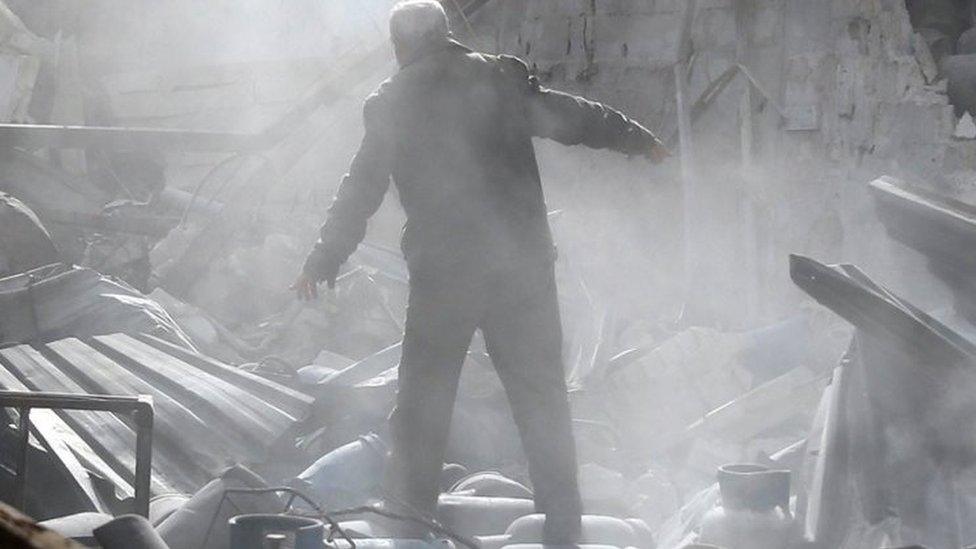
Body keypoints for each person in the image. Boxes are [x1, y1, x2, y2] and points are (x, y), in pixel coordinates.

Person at [293, 0, 669, 542]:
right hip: (522, 270)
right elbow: (572, 117)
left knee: (423, 407)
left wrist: (323, 260)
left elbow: (361, 189)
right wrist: (637, 138)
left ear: (399, 45)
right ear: (445, 34)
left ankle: (408, 530)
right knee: (542, 404)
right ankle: (562, 532)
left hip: (446, 276)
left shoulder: (392, 101)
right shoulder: (497, 78)